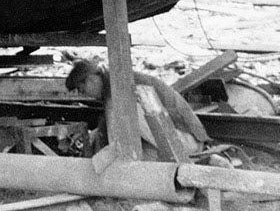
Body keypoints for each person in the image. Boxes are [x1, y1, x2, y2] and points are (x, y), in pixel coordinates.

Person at [65, 58, 207, 160]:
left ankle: (179, 158)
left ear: (91, 79)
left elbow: (116, 137)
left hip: (186, 141)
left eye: (83, 90)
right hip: (180, 139)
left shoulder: (120, 88)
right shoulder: (112, 85)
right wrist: (95, 133)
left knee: (124, 111)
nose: (86, 95)